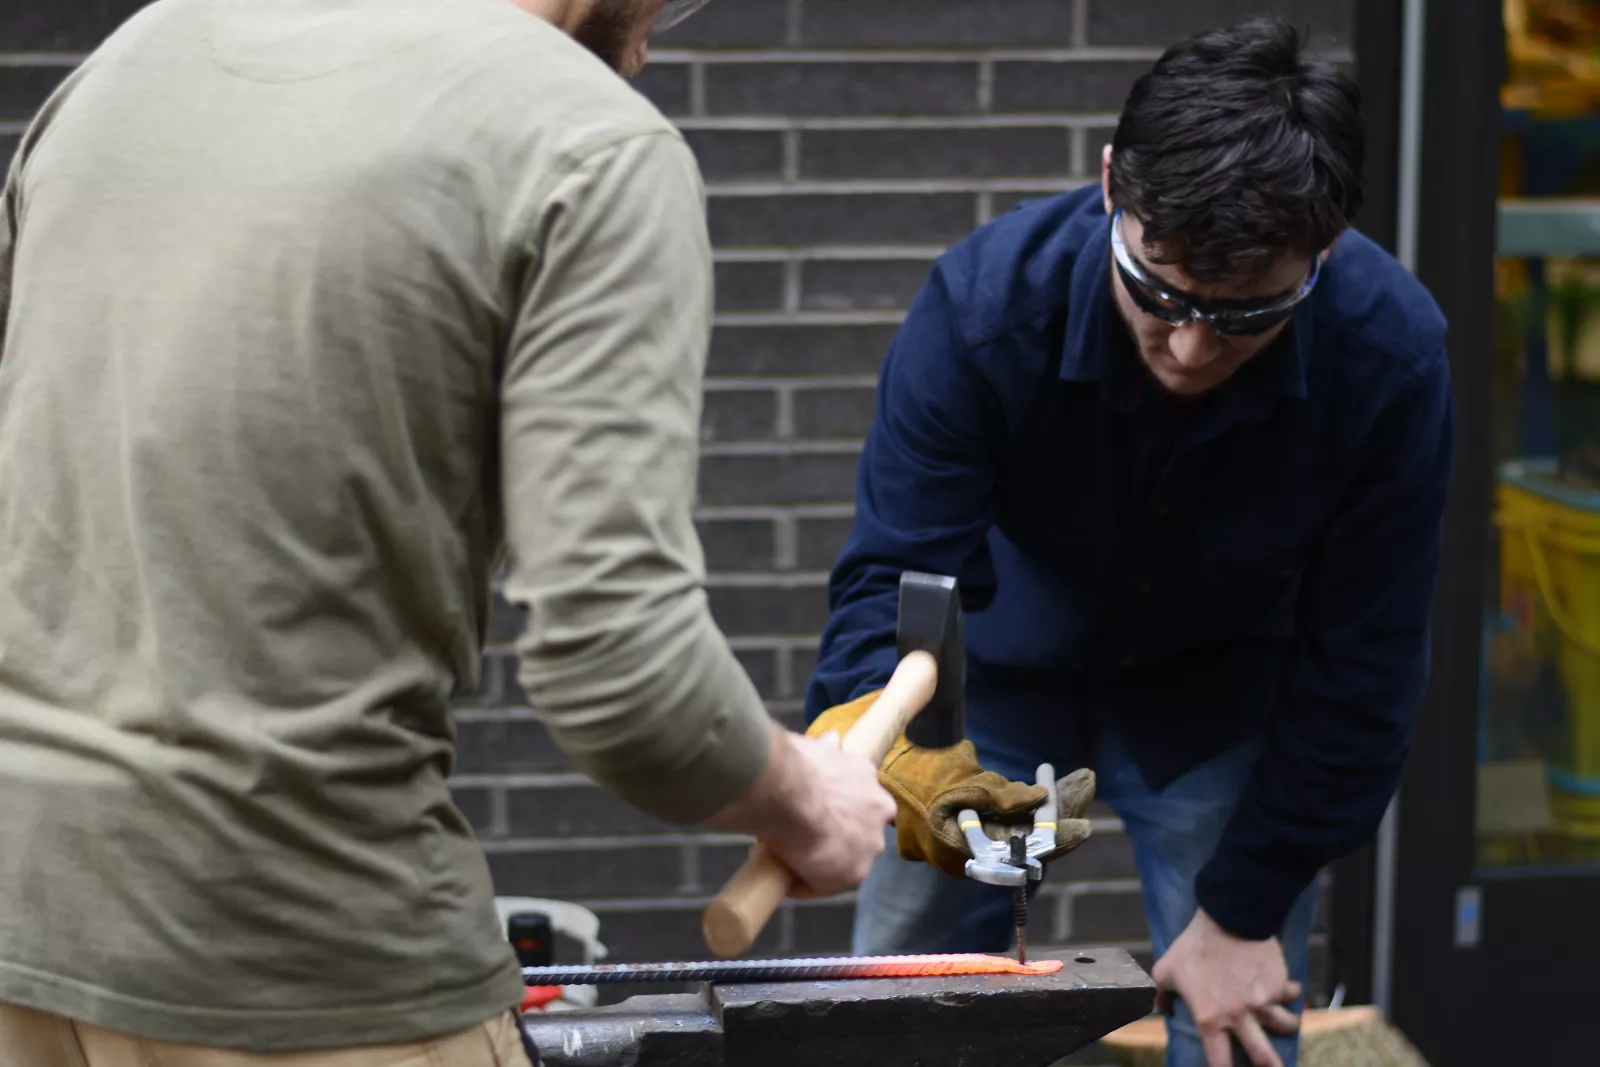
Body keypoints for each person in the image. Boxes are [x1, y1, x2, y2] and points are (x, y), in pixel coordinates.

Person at [0, 1, 895, 1064]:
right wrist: (807, 799)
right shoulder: (589, 139)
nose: (651, 37)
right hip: (301, 957)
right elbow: (623, 675)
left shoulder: (138, 54)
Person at [803, 18, 1454, 1067]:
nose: (1190, 347)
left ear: (1324, 250)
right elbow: (893, 573)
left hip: (1221, 687)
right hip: (996, 671)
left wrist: (1242, 914)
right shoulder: (982, 309)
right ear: (1111, 183)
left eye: (1245, 315)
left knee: (1240, 1017)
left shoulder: (1390, 356)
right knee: (903, 1005)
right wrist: (867, 757)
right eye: (1157, 289)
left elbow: (1365, 665)